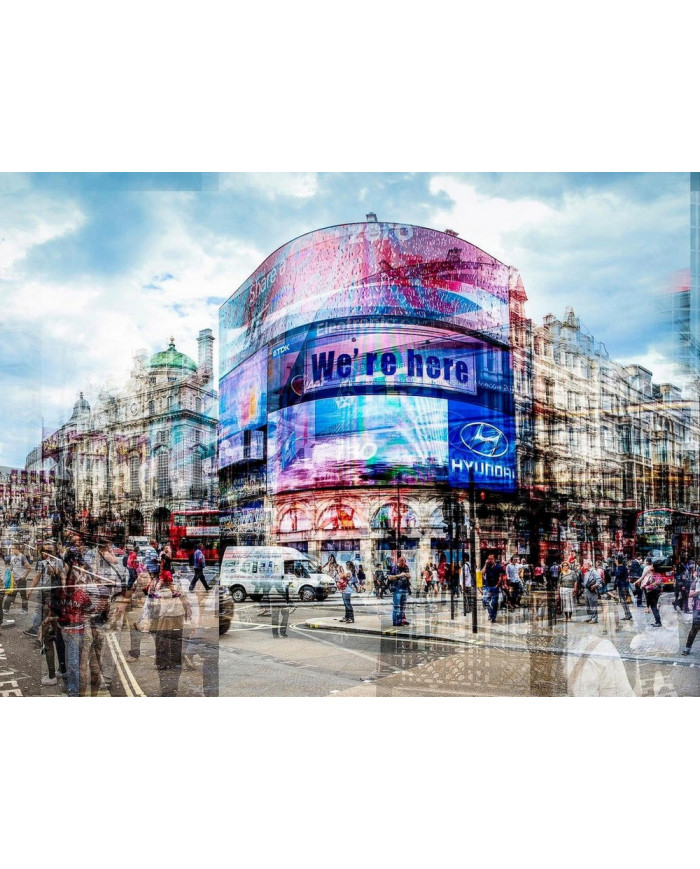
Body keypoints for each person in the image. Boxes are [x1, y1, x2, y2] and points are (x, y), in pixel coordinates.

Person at [148, 570, 191, 696]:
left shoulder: (161, 587)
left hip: (168, 619)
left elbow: (152, 603)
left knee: (165, 646)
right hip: (173, 619)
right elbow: (184, 601)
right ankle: (169, 667)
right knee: (170, 646)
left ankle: (167, 667)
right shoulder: (166, 587)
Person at [3, 544, 31, 616]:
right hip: (14, 579)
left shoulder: (22, 557)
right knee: (10, 594)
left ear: (17, 549)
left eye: (13, 548)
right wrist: (9, 572)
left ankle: (25, 609)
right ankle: (5, 609)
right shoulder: (12, 557)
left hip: (21, 579)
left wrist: (24, 576)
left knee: (23, 595)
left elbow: (29, 567)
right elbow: (12, 567)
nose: (12, 550)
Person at [389, 556, 412, 626]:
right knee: (396, 606)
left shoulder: (406, 567)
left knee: (403, 606)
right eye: (401, 564)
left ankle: (402, 619)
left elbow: (409, 576)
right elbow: (390, 578)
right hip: (397, 589)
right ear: (398, 562)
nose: (403, 565)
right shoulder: (394, 568)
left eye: (404, 564)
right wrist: (399, 575)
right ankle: (396, 621)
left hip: (405, 588)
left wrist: (408, 576)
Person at [482, 554, 505, 623]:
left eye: (491, 559)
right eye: (489, 559)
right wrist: (485, 564)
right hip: (487, 586)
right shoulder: (487, 566)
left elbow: (501, 578)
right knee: (485, 601)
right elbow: (482, 573)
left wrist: (497, 586)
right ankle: (491, 613)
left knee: (494, 602)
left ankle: (493, 616)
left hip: (495, 586)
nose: (490, 560)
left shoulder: (499, 567)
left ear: (494, 559)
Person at [682, 573, 700, 655]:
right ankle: (687, 648)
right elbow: (690, 594)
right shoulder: (696, 582)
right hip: (698, 608)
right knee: (694, 629)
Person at [613, 556, 633, 621]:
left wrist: (616, 566)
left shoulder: (619, 568)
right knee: (623, 601)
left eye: (616, 560)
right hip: (624, 586)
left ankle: (628, 615)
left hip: (622, 586)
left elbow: (617, 576)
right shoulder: (624, 567)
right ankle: (628, 614)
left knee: (623, 601)